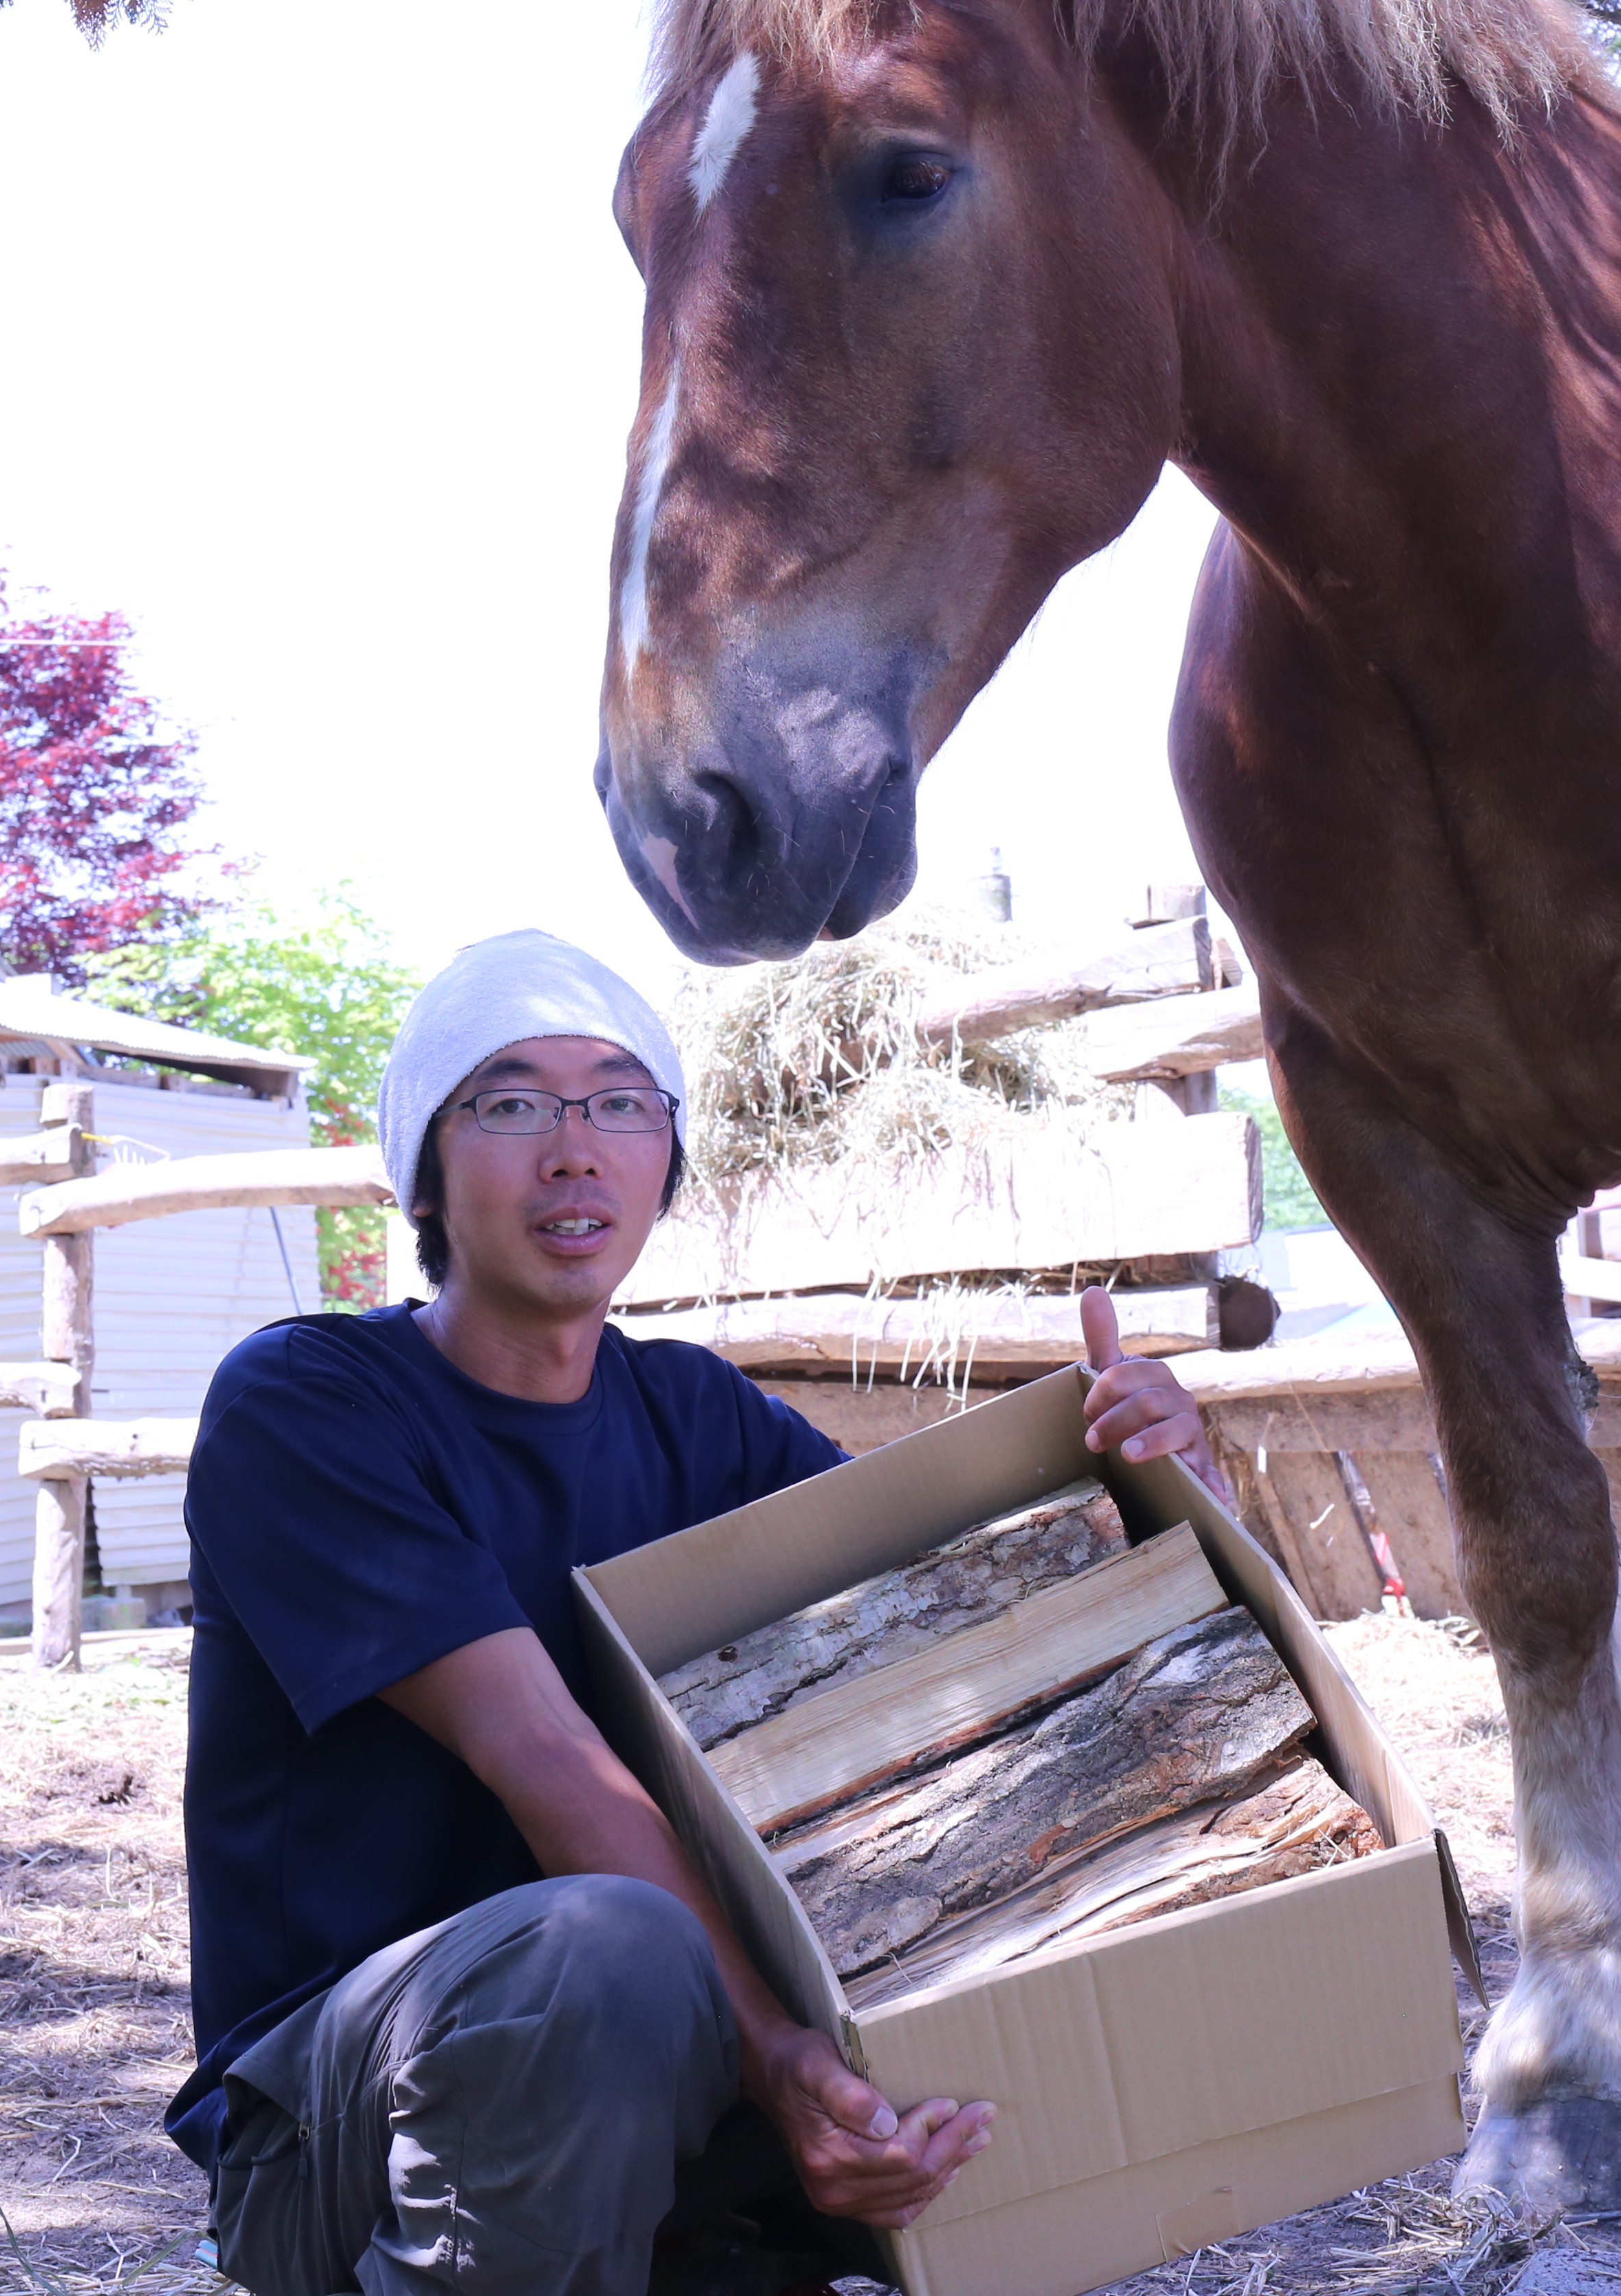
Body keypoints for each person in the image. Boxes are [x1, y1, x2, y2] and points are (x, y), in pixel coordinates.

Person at [168, 930, 1215, 2296]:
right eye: (509, 1102)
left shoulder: (697, 1416)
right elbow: (545, 1763)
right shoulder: (309, 1405)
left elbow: (960, 1641)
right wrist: (777, 2057)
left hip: (671, 2109)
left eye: (618, 1101)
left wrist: (1160, 1483)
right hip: (347, 2136)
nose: (571, 1148)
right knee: (613, 1947)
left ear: (667, 1155)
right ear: (427, 1164)